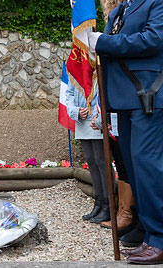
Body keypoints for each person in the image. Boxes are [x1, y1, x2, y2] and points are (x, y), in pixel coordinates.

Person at [88, 0, 163, 265]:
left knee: (148, 169)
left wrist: (101, 41)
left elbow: (152, 41)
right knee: (133, 170)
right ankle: (149, 236)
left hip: (149, 98)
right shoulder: (119, 12)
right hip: (124, 102)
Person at [95, 0, 136, 235]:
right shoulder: (113, 28)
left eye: (104, 3)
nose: (103, 9)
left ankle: (130, 215)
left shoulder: (123, 25)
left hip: (127, 101)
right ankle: (125, 214)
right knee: (121, 161)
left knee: (129, 162)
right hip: (114, 104)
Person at [65, 69, 109, 224]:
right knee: (91, 160)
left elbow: (106, 93)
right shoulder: (77, 68)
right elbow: (69, 94)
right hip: (82, 120)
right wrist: (75, 111)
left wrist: (100, 116)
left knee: (101, 161)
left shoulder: (100, 67)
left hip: (97, 120)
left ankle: (108, 205)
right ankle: (98, 203)